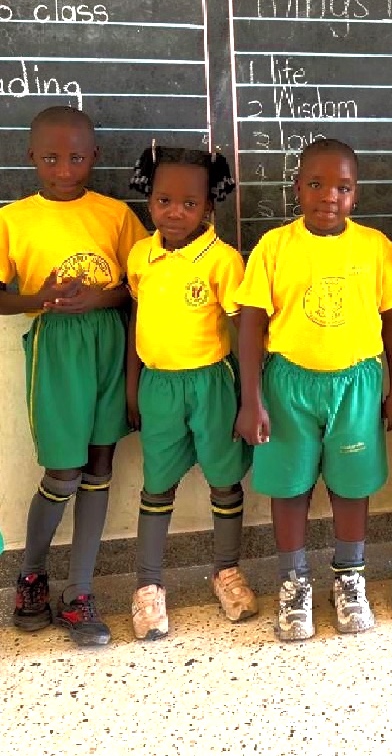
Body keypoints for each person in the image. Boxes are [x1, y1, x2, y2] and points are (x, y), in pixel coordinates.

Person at [234, 139, 392, 641]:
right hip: (288, 385)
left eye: (342, 187)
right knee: (290, 486)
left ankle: (350, 577)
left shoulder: (375, 248)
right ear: (297, 189)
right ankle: (293, 582)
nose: (329, 196)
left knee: (352, 485)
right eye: (316, 184)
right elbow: (250, 326)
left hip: (356, 385)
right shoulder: (274, 247)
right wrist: (251, 398)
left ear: (356, 194)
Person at [1, 106, 147, 647]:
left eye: (77, 158)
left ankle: (80, 592)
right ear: (29, 157)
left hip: (109, 339)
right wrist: (40, 298)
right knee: (63, 469)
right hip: (56, 347)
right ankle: (31, 576)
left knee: (100, 463)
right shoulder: (13, 219)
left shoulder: (116, 215)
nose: (64, 170)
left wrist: (98, 299)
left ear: (95, 157)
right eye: (50, 159)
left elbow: (140, 285)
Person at [125, 145, 255, 640]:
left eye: (188, 203)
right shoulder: (141, 256)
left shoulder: (223, 261)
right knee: (157, 485)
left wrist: (251, 397)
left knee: (224, 480)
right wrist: (133, 385)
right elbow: (137, 319)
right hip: (158, 385)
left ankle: (227, 571)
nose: (174, 212)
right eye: (163, 201)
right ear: (149, 201)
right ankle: (148, 585)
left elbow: (244, 330)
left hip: (211, 383)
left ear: (208, 206)